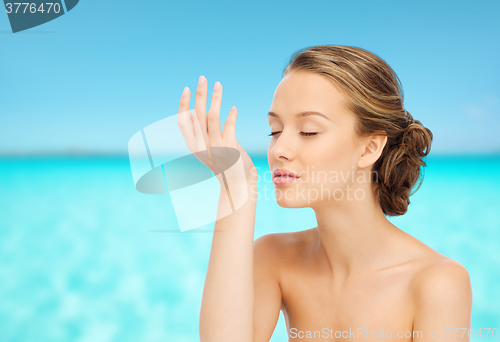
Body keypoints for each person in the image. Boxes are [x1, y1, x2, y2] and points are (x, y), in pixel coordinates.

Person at [178, 45, 473, 342]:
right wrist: (236, 188)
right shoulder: (274, 258)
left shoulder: (436, 283)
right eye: (275, 130)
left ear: (370, 147)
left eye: (308, 131)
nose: (278, 149)